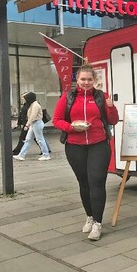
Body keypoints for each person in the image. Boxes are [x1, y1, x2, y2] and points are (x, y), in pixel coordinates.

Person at [52, 64, 119, 241]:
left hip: (99, 144)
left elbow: (113, 120)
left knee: (96, 181)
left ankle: (97, 223)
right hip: (74, 145)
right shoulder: (68, 97)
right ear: (77, 80)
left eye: (90, 79)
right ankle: (89, 216)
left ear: (94, 80)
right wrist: (71, 127)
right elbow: (57, 119)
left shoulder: (101, 97)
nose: (86, 82)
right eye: (83, 79)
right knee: (84, 183)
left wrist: (111, 107)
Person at [13, 92, 51, 161]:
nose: (25, 100)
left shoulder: (35, 105)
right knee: (28, 139)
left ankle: (46, 155)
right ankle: (21, 155)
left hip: (36, 123)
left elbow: (33, 116)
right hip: (34, 124)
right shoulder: (33, 104)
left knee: (40, 139)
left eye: (26, 98)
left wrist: (27, 125)